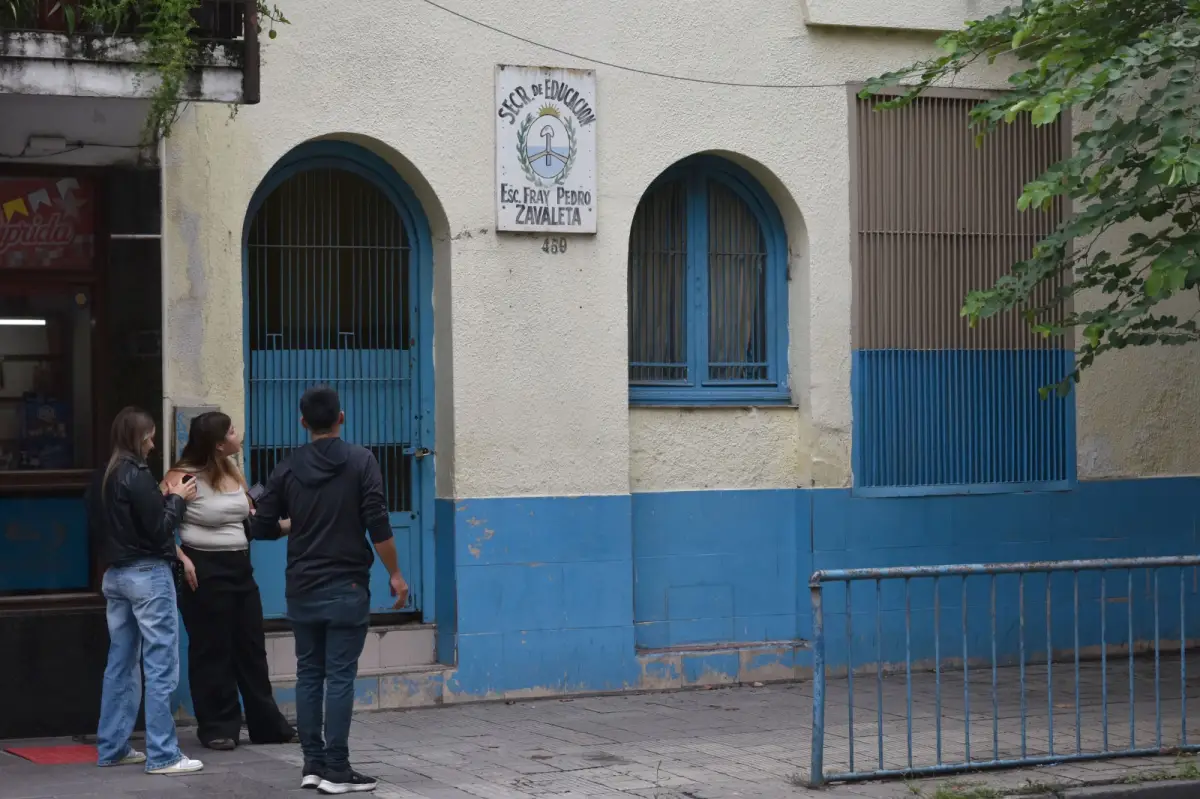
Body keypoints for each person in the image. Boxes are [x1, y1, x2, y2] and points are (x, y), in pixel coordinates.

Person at [249, 386, 409, 795]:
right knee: (339, 677)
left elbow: (262, 525)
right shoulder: (361, 461)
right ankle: (337, 769)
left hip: (301, 586)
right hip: (347, 586)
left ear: (303, 422)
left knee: (309, 674)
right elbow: (378, 523)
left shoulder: (286, 468)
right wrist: (395, 574)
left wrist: (292, 524)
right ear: (342, 417)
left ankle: (312, 765)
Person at [86, 406, 204, 776]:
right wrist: (178, 498)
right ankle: (163, 754)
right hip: (148, 576)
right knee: (160, 665)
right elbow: (160, 528)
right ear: (139, 438)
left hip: (116, 576)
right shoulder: (135, 474)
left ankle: (113, 747)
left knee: (120, 664)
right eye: (150, 436)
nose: (153, 444)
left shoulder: (102, 477)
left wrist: (163, 498)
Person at [169, 411, 296, 751]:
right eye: (232, 431)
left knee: (251, 648)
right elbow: (159, 523)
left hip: (240, 569)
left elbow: (246, 520)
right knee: (212, 649)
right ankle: (218, 726)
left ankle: (266, 724)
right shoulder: (182, 477)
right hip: (204, 572)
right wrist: (181, 557)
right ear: (218, 442)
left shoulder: (232, 471)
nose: (239, 434)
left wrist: (289, 525)